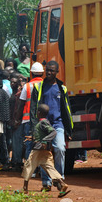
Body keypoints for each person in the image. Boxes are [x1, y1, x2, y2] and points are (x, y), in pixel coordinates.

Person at [30, 60, 73, 191]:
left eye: (52, 70)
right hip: (43, 125)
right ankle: (46, 182)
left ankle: (59, 179)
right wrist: (34, 129)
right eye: (47, 70)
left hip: (58, 123)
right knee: (44, 152)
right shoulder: (38, 87)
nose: (49, 72)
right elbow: (33, 110)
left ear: (57, 72)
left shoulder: (62, 88)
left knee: (60, 149)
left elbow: (67, 110)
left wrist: (69, 131)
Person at [22, 104, 70, 198]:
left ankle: (24, 188)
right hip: (44, 150)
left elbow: (53, 132)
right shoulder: (43, 122)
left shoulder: (43, 122)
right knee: (49, 167)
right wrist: (32, 137)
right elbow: (42, 134)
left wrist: (44, 141)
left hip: (38, 149)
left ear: (39, 113)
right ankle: (62, 184)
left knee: (29, 165)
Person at [16, 62, 44, 160]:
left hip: (28, 120)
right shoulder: (45, 86)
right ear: (42, 74)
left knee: (29, 144)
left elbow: (21, 104)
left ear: (31, 73)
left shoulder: (27, 86)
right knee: (41, 144)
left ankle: (30, 170)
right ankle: (40, 168)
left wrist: (17, 119)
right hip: (42, 121)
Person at [9, 72, 23, 171]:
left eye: (14, 82)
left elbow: (18, 108)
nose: (12, 84)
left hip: (17, 121)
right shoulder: (12, 93)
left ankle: (17, 162)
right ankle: (15, 160)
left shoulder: (18, 94)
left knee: (17, 142)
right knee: (14, 142)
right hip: (12, 120)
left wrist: (17, 120)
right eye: (11, 82)